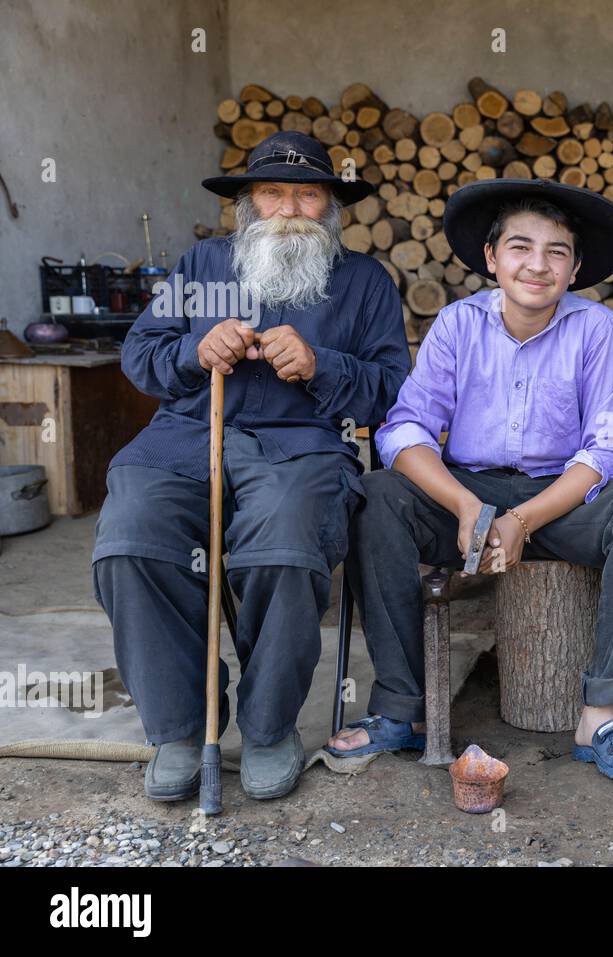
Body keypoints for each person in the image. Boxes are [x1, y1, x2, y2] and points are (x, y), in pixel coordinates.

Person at [326, 179, 613, 784]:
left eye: (557, 252)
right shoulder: (456, 324)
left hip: (565, 501)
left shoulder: (598, 330)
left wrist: (521, 520)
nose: (537, 266)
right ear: (492, 259)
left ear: (574, 269)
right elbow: (405, 428)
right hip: (467, 495)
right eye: (520, 247)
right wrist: (467, 504)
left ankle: (603, 713)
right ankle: (400, 709)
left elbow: (609, 447)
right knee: (379, 496)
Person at [92, 131, 411, 801]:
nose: (290, 208)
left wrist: (324, 365)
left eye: (307, 193)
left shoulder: (363, 281)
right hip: (186, 435)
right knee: (131, 533)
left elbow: (388, 388)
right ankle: (181, 725)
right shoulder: (203, 264)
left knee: (286, 543)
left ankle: (269, 727)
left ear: (328, 205)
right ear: (248, 204)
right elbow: (142, 358)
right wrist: (193, 349)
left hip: (301, 446)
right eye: (273, 192)